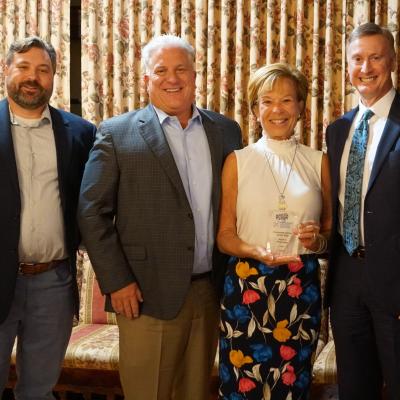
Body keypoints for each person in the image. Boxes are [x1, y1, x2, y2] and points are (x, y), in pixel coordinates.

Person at [78, 34, 242, 400]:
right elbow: (92, 212)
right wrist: (117, 282)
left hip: (208, 291)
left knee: (196, 393)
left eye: (181, 68)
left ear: (195, 74)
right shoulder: (116, 133)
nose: (173, 78)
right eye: (162, 70)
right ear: (146, 79)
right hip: (144, 295)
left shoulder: (226, 131)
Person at [217, 63, 331, 399]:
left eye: (286, 100)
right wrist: (254, 251)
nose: (277, 109)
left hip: (300, 285)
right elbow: (224, 235)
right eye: (266, 101)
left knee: (291, 388)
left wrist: (318, 239)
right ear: (254, 109)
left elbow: (329, 234)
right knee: (242, 387)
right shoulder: (237, 161)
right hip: (246, 282)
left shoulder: (318, 161)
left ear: (300, 107)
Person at [0, 37, 96, 399]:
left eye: (43, 70)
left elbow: (91, 205)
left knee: (39, 390)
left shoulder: (81, 133)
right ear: (6, 69)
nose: (32, 77)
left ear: (54, 76)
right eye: (23, 67)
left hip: (53, 283)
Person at [326, 22, 400, 400]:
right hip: (347, 281)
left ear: (392, 61)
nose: (366, 68)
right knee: (355, 389)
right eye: (358, 59)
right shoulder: (338, 129)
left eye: (375, 57)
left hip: (396, 281)